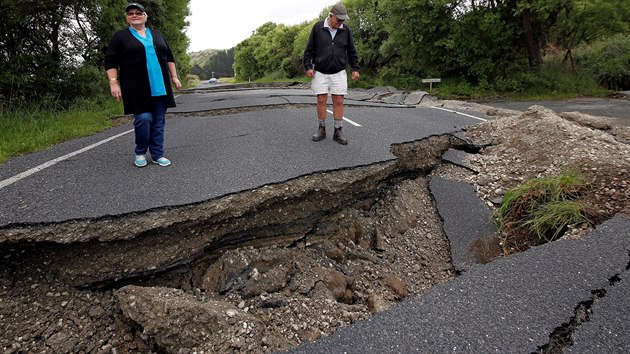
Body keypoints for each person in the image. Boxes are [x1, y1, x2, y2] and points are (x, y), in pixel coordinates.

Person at [104, 3, 182, 167]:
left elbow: (169, 57)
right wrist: (113, 83)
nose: (134, 15)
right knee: (143, 119)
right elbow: (110, 61)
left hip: (160, 86)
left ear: (145, 16)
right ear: (127, 17)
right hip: (135, 88)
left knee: (158, 122)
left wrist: (174, 77)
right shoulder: (121, 37)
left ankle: (158, 154)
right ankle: (140, 151)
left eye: (138, 12)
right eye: (130, 13)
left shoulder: (157, 34)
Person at [303, 3, 360, 145]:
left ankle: (338, 131)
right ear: (331, 15)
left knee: (339, 100)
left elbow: (352, 51)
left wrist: (355, 68)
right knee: (321, 99)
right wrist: (308, 66)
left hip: (339, 71)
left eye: (343, 20)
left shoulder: (345, 30)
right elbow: (308, 49)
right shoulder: (318, 27)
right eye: (339, 19)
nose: (341, 22)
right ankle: (321, 129)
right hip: (320, 71)